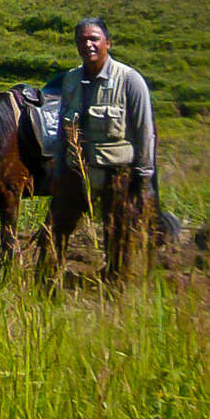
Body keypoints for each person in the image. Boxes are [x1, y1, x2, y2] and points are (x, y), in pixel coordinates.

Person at [44, 17, 158, 280]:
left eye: (94, 38)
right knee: (53, 231)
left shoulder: (130, 80)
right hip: (77, 173)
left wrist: (144, 179)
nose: (88, 44)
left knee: (118, 238)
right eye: (82, 40)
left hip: (117, 175)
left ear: (108, 43)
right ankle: (46, 285)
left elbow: (145, 132)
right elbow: (64, 130)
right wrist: (59, 171)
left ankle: (116, 289)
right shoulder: (71, 80)